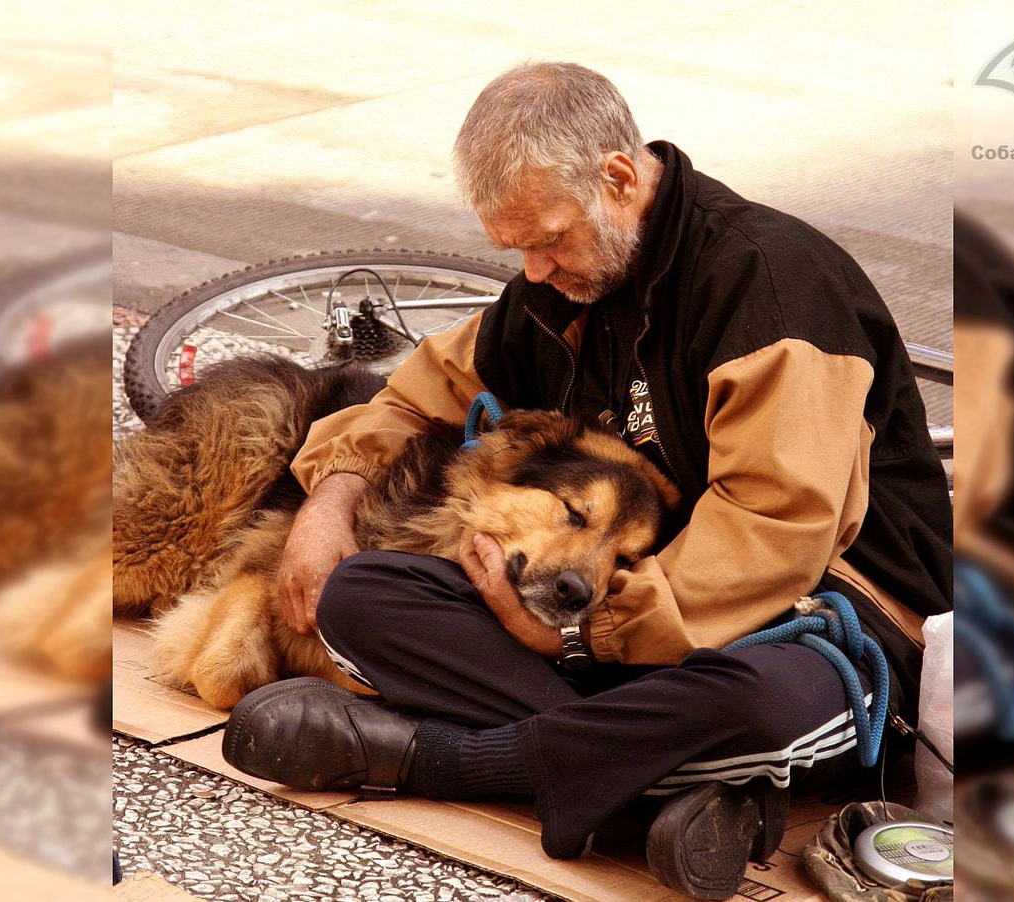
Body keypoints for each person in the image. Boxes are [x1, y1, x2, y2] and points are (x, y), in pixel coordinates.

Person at [223, 62, 952, 898]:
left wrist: (581, 640)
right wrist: (330, 499)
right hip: (626, 617)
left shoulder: (769, 285)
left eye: (549, 238)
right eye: (516, 248)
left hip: (826, 617)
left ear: (618, 177)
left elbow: (775, 532)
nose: (533, 268)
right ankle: (650, 788)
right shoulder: (565, 285)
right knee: (362, 595)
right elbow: (417, 395)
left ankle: (432, 757)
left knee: (750, 707)